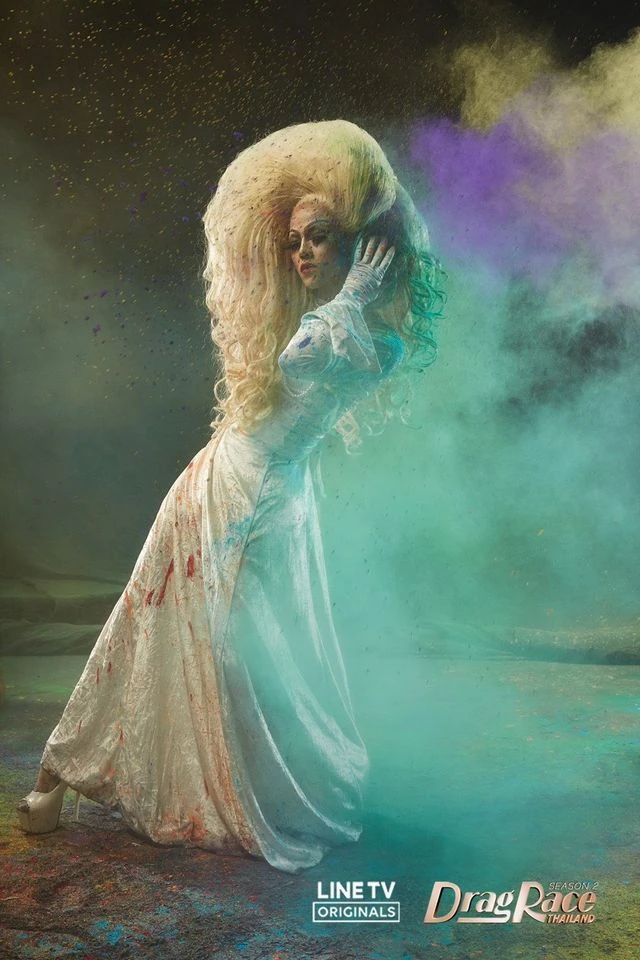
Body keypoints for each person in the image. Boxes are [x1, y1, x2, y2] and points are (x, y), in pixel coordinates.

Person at [16, 119, 443, 873]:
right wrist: (342, 295)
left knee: (245, 654)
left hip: (268, 505)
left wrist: (354, 297)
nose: (300, 253)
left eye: (318, 238)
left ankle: (231, 784)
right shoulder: (323, 318)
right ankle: (54, 778)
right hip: (215, 481)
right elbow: (291, 358)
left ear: (365, 246)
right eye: (294, 241)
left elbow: (304, 361)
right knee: (143, 619)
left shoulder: (374, 341)